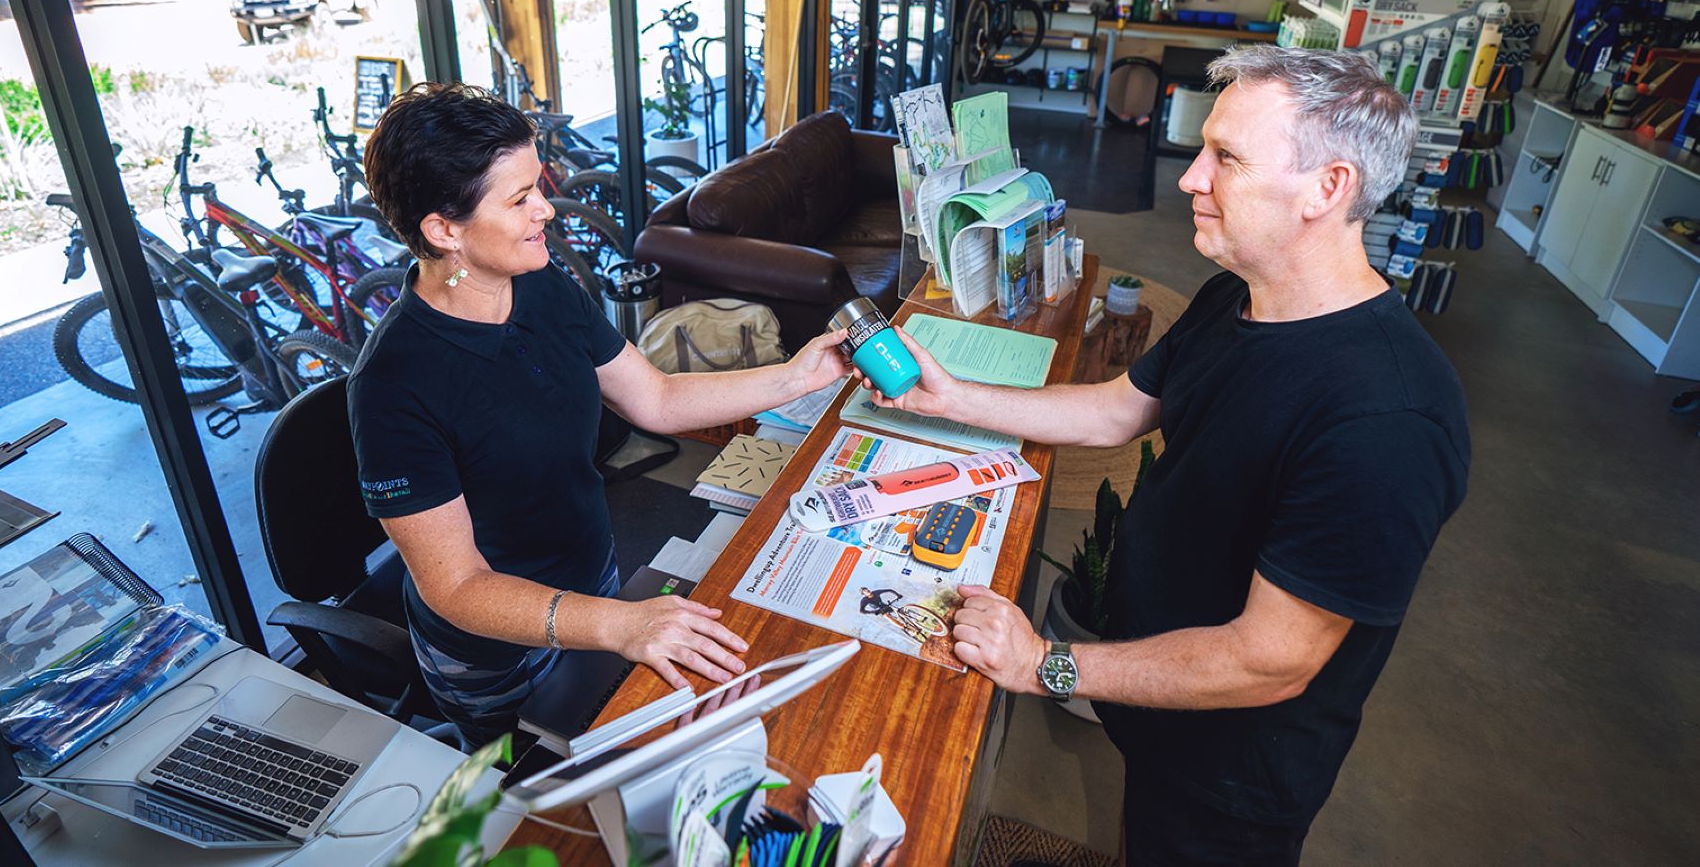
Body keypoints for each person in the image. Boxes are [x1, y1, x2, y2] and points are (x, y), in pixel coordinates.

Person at [860, 46, 1470, 865]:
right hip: (1156, 696)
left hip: (1229, 771)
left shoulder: (1386, 420)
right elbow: (1118, 410)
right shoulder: (1238, 295)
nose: (1189, 178)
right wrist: (952, 398)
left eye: (1226, 158)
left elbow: (1270, 662)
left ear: (1328, 188)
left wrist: (1049, 666)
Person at [348, 83, 851, 748]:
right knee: (531, 782)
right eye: (520, 199)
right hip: (497, 646)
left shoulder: (543, 286)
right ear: (444, 231)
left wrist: (796, 377)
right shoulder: (393, 385)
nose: (546, 211)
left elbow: (656, 399)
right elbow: (457, 585)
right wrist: (620, 624)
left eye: (539, 187)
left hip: (595, 581)